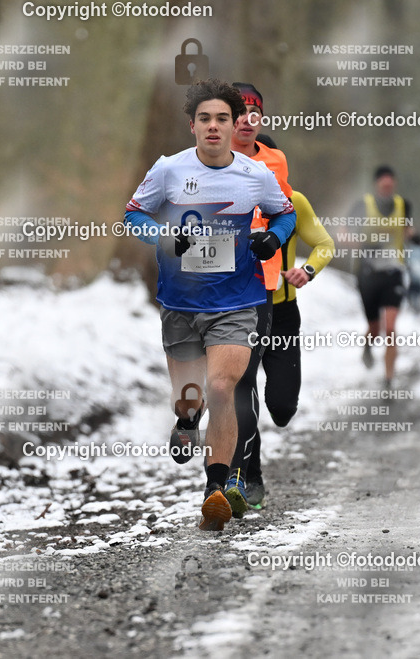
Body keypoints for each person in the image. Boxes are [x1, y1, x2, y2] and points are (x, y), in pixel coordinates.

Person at [124, 78, 296, 531]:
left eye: (223, 118)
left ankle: (216, 488)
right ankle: (185, 422)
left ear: (235, 123)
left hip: (238, 301)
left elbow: (286, 212)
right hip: (181, 302)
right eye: (205, 119)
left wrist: (272, 238)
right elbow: (133, 213)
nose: (214, 127)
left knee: (223, 387)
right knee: (191, 398)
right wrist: (161, 236)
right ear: (192, 125)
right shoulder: (168, 170)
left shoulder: (255, 174)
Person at [225, 83, 334, 513]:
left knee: (283, 407)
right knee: (241, 387)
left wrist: (305, 269)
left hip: (285, 312)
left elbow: (324, 244)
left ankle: (256, 451)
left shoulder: (293, 201)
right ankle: (248, 473)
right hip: (246, 305)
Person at [347, 166, 414, 389]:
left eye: (390, 182)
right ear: (377, 183)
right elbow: (343, 233)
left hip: (394, 272)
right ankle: (367, 345)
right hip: (368, 274)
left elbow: (407, 231)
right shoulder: (362, 205)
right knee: (375, 328)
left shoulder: (404, 205)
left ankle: (388, 377)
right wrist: (365, 245)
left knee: (391, 327)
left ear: (394, 183)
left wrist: (414, 238)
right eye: (383, 182)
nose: (387, 185)